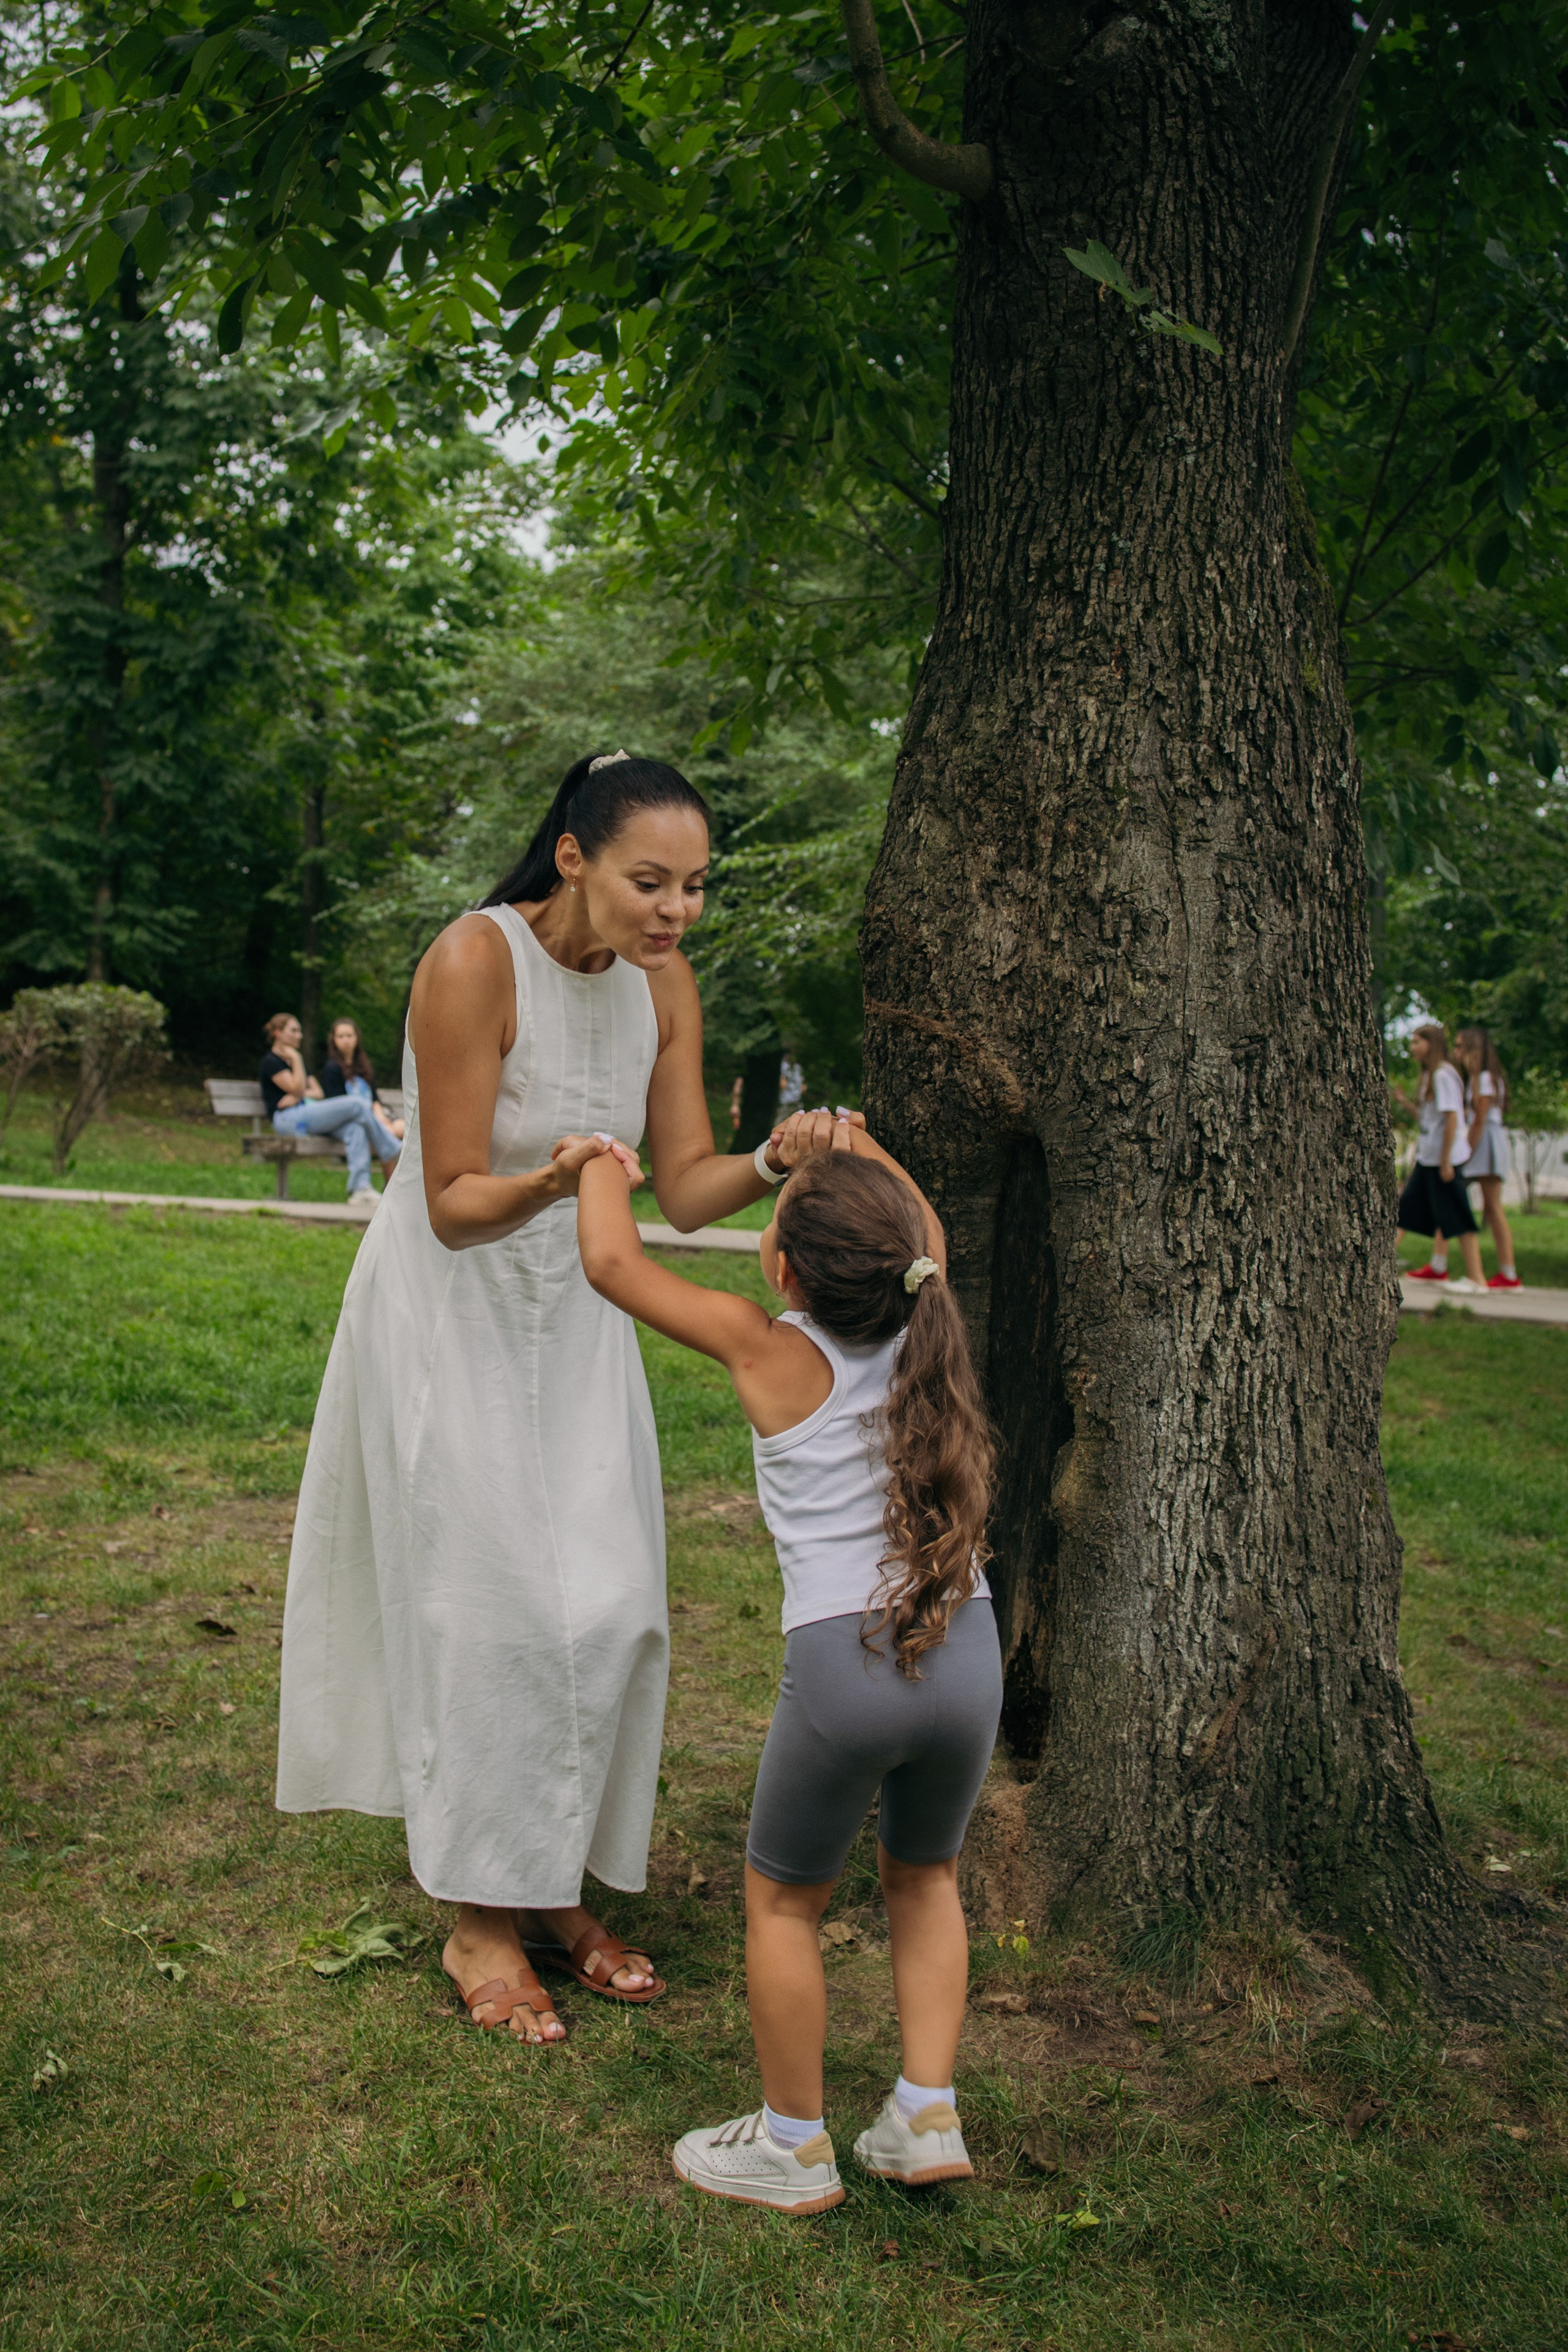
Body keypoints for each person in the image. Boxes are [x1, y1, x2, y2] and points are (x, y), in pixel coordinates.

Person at [275, 752, 853, 2046]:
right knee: (488, 1610)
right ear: (576, 856)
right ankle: (480, 1920)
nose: (674, 912)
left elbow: (685, 1183)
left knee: (608, 1606)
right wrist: (554, 1181)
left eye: (696, 888)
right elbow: (451, 1196)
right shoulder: (474, 962)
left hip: (587, 1313)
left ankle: (551, 1889)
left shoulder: (662, 984)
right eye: (650, 881)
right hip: (457, 1304)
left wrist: (776, 1154)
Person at [576, 1115, 1001, 2212]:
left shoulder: (766, 1346)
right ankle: (925, 2114)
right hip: (968, 1655)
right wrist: (857, 1141)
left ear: (785, 1269)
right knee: (928, 1879)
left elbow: (612, 1261)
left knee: (783, 1908)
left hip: (843, 1664)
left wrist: (596, 1168)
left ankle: (793, 2144)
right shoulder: (929, 1323)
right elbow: (931, 1237)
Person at [257, 1012, 401, 1214]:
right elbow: (298, 1088)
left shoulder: (296, 1063)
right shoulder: (271, 1062)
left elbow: (317, 1093)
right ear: (278, 1034)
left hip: (306, 1113)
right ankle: (392, 1148)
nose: (300, 1035)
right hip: (287, 1120)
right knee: (357, 1105)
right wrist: (297, 1061)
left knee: (355, 1127)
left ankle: (360, 1189)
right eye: (294, 1031)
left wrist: (299, 1093)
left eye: (299, 1030)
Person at [1392, 1022, 1485, 1292]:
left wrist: (1446, 1161)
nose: (1412, 1048)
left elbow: (1452, 1120)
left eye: (1416, 1042)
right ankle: (1379, 1266)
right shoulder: (1432, 1076)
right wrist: (1406, 1104)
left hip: (1443, 1160)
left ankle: (1478, 1279)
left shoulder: (1443, 1075)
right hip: (1429, 1157)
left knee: (1458, 1214)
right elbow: (1429, 1120)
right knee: (1406, 1210)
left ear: (1430, 1044)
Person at [1455, 1025, 1521, 1290]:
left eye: (1461, 1047)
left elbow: (1480, 1120)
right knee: (1489, 1207)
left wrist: (1466, 1152)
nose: (1456, 1052)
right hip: (1486, 1140)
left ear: (1474, 1050)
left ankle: (1507, 1274)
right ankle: (1508, 1273)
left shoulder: (1483, 1079)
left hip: (1485, 1141)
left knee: (1490, 1206)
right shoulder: (1482, 1078)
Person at [322, 1016, 405, 1155]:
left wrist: (381, 1119)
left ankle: (392, 1174)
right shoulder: (332, 1068)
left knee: (402, 1128)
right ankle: (392, 1160)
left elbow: (374, 1099)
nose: (346, 1040)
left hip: (375, 1117)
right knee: (387, 1133)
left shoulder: (363, 1065)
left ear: (357, 1038)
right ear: (334, 1040)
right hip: (353, 1122)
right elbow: (337, 1105)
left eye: (349, 1036)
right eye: (341, 1036)